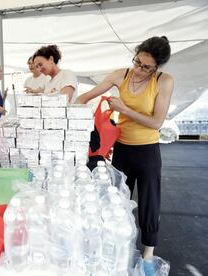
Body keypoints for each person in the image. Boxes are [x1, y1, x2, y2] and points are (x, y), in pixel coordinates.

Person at [76, 36, 174, 275]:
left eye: (146, 67)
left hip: (148, 151)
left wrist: (125, 109)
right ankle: (119, 248)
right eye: (137, 62)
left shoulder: (164, 81)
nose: (139, 69)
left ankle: (148, 255)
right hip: (121, 148)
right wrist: (71, 115)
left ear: (157, 68)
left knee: (149, 203)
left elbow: (157, 122)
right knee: (116, 201)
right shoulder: (121, 75)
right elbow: (85, 97)